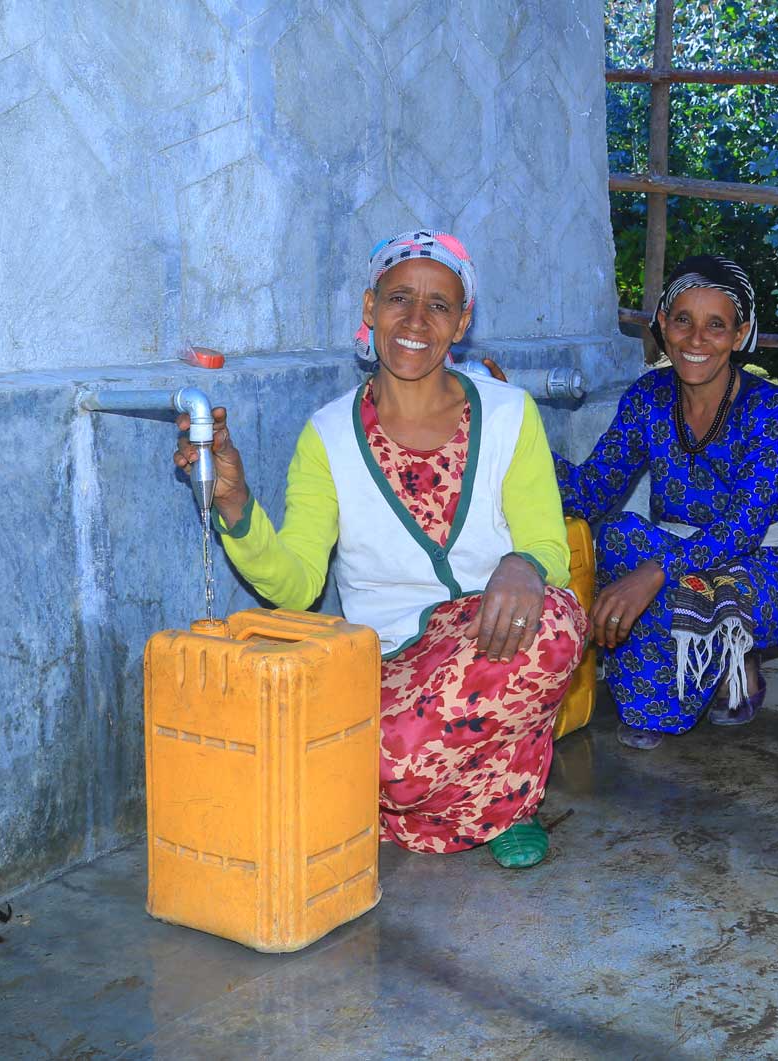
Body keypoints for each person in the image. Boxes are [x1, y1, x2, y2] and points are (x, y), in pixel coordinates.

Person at [176, 230, 584, 868]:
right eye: (399, 299)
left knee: (555, 626)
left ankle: (469, 807)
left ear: (462, 323)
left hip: (493, 635)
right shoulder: (329, 434)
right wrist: (234, 504)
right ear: (371, 309)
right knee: (391, 756)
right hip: (390, 662)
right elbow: (296, 584)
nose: (416, 321)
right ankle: (487, 807)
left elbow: (547, 547)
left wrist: (522, 563)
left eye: (439, 306)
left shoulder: (510, 414)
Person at [555, 255, 778, 750]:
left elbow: (742, 528)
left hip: (760, 569)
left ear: (740, 335)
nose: (696, 340)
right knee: (619, 537)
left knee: (683, 580)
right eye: (683, 321)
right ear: (663, 327)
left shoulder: (774, 409)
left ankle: (739, 662)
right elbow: (591, 492)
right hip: (675, 567)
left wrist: (653, 572)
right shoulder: (649, 397)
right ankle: (698, 673)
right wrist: (509, 425)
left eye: (716, 325)